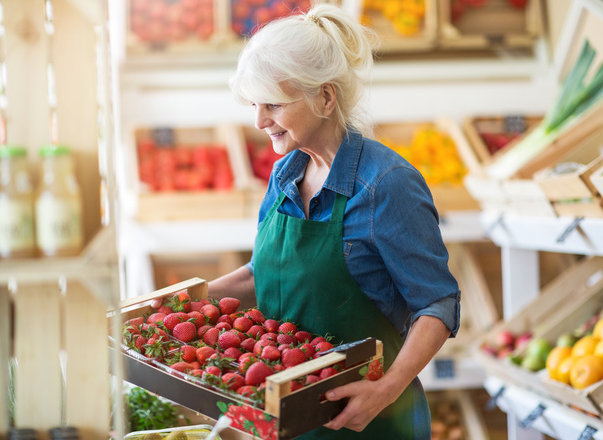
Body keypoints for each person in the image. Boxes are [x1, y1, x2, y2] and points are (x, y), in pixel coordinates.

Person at [156, 4, 460, 438]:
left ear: (325, 97)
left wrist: (387, 389)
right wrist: (175, 305)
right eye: (255, 105)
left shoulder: (386, 186)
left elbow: (438, 304)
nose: (259, 121)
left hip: (365, 419)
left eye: (273, 105)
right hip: (284, 420)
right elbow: (261, 275)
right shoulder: (285, 174)